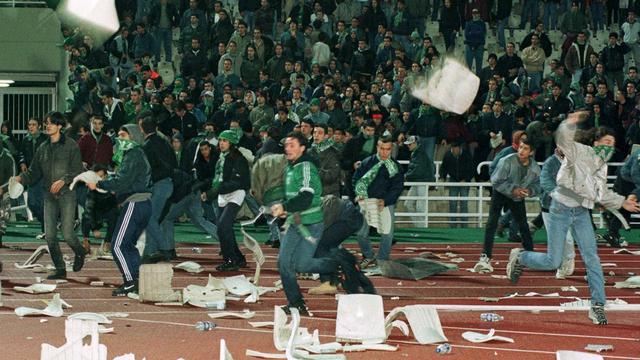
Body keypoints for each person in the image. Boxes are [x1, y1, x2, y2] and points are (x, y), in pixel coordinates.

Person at [506, 113, 640, 325]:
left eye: (612, 144)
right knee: (554, 260)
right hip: (560, 209)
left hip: (581, 213)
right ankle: (521, 257)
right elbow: (562, 139)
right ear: (595, 142)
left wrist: (623, 203)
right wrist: (569, 122)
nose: (608, 146)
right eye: (605, 141)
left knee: (592, 258)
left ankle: (597, 306)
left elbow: (601, 193)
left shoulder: (602, 166)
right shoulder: (579, 151)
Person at [270, 131, 337, 315]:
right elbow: (291, 196)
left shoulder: (306, 166)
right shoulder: (290, 168)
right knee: (284, 262)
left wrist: (284, 206)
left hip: (311, 224)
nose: (287, 148)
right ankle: (296, 303)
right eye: (286, 145)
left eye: (292, 145)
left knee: (302, 265)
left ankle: (335, 264)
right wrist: (282, 207)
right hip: (295, 222)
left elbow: (306, 196)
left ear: (302, 148)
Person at [15, 112, 85, 280]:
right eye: (46, 123)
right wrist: (19, 178)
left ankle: (80, 251)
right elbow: (33, 173)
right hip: (49, 195)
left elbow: (77, 170)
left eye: (52, 123)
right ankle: (60, 268)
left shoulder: (71, 145)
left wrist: (64, 180)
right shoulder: (42, 148)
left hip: (67, 194)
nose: (48, 126)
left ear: (60, 126)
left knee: (68, 234)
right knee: (50, 236)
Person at [86, 124, 152, 297]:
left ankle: (130, 282)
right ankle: (139, 281)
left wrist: (99, 184)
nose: (120, 139)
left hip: (134, 203)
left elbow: (123, 182)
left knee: (117, 245)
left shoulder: (133, 153)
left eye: (124, 135)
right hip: (142, 203)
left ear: (134, 137)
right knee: (128, 245)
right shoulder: (137, 154)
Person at [473, 138, 540, 273]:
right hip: (500, 193)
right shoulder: (507, 160)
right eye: (520, 147)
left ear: (531, 152)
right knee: (491, 223)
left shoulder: (535, 168)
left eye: (525, 148)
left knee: (524, 226)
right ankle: (485, 256)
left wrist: (529, 191)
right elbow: (495, 181)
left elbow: (538, 185)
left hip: (517, 197)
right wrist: (512, 189)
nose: (521, 151)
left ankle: (530, 255)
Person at [353, 137, 404, 268]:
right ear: (377, 147)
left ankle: (382, 259)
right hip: (366, 201)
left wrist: (386, 201)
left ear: (391, 149)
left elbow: (397, 187)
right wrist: (359, 194)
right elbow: (356, 179)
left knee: (387, 233)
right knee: (361, 232)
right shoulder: (366, 162)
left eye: (388, 149)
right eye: (382, 149)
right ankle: (368, 256)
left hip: (385, 203)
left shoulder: (395, 166)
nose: (384, 152)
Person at [205, 130, 250, 271]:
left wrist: (214, 191)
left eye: (225, 140)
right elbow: (217, 179)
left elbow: (238, 182)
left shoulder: (238, 158)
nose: (222, 143)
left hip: (235, 193)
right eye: (220, 140)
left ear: (232, 143)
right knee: (222, 228)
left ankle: (231, 260)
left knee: (224, 225)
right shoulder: (221, 157)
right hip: (223, 194)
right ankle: (238, 258)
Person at [138, 115, 177, 263]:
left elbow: (146, 170)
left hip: (158, 185)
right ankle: (151, 251)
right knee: (153, 219)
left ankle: (164, 248)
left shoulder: (146, 146)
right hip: (168, 183)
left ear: (142, 128)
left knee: (150, 218)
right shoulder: (165, 143)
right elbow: (174, 163)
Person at [539, 149, 576, 279]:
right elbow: (544, 182)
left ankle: (568, 260)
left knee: (567, 236)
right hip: (549, 205)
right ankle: (561, 263)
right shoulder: (550, 163)